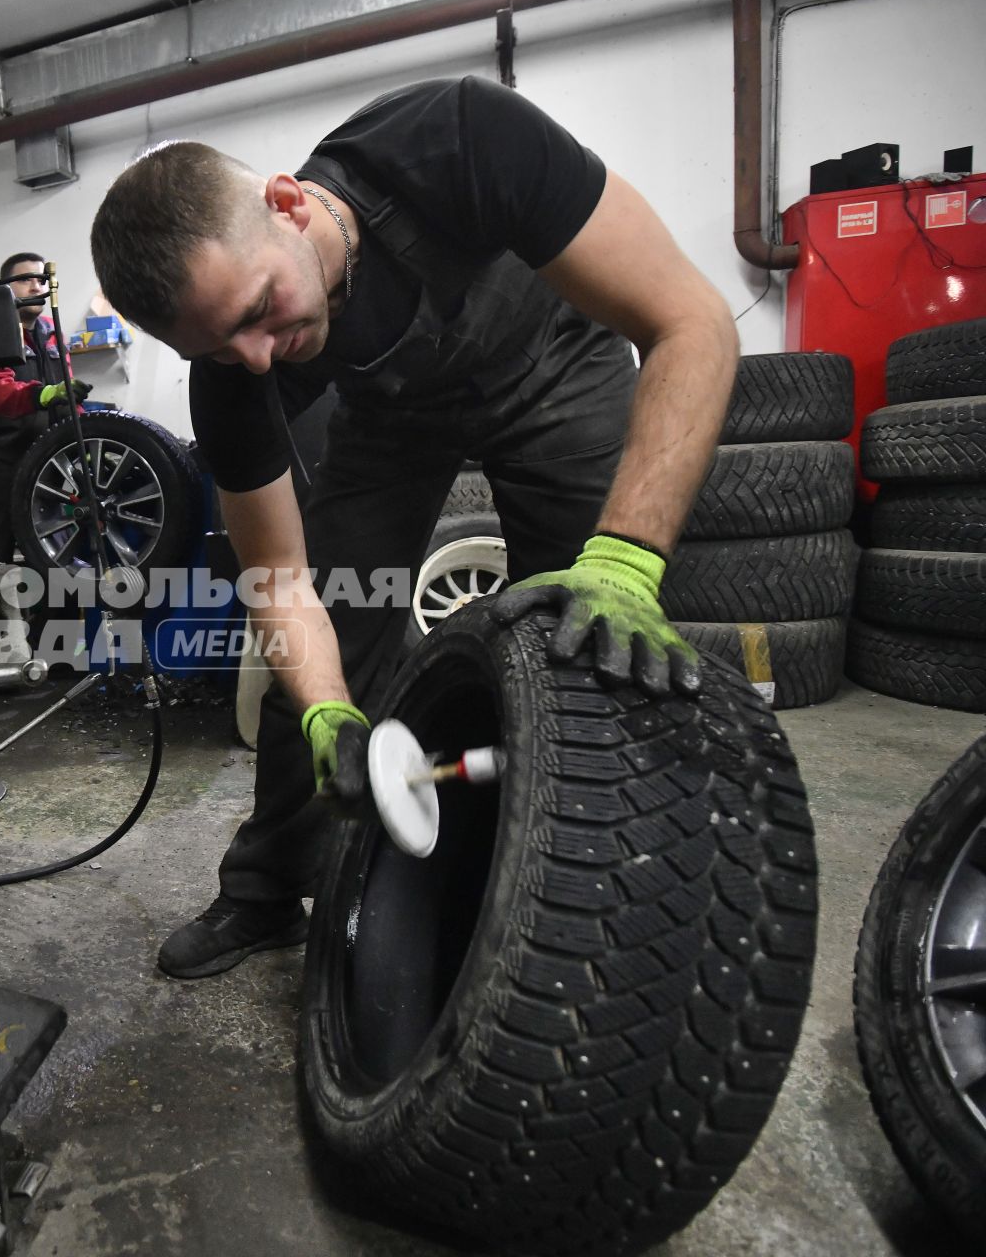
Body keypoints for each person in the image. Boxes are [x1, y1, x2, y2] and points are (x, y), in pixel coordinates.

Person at [89, 77, 738, 979]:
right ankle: (268, 888)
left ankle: (584, 889)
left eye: (257, 314)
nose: (257, 359)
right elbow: (276, 577)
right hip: (392, 416)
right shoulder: (235, 373)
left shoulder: (460, 140)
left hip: (555, 364)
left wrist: (628, 559)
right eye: (215, 351)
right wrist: (325, 709)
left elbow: (694, 324)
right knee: (325, 637)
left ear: (285, 202)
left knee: (593, 640)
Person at [0, 251, 87, 564]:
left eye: (41, 279)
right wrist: (43, 395)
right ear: (5, 288)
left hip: (45, 467)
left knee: (58, 561)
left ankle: (51, 616)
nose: (36, 286)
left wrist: (88, 443)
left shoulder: (53, 334)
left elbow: (67, 396)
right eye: (26, 279)